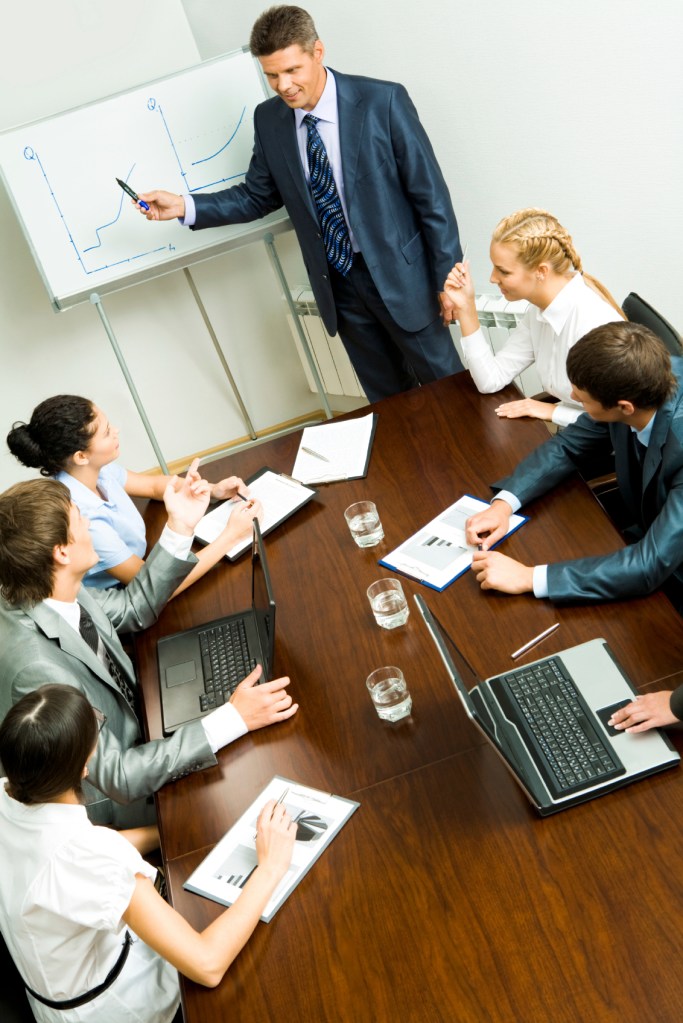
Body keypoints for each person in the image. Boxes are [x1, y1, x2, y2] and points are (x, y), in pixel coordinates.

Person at [135, 5, 465, 403]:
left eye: (292, 70)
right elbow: (257, 196)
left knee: (452, 393)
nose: (283, 85)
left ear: (318, 52)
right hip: (340, 288)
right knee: (393, 407)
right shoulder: (269, 119)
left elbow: (431, 199)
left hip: (405, 281)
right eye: (271, 75)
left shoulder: (383, 101)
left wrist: (448, 280)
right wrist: (184, 206)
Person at [0, 475, 298, 828]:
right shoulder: (36, 668)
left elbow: (132, 607)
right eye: (80, 517)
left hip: (142, 726)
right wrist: (234, 718)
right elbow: (119, 775)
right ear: (61, 552)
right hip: (113, 801)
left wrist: (179, 527)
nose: (90, 524)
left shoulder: (47, 584)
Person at [0, 684, 295, 1023]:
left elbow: (79, 856)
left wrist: (173, 830)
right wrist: (271, 867)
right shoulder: (91, 858)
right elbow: (208, 964)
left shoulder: (6, 796)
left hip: (54, 981)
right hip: (125, 1007)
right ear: (84, 769)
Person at [465, 321, 683, 610]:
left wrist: (529, 577)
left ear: (624, 407)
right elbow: (568, 446)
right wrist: (503, 505)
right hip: (644, 533)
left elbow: (649, 565)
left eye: (582, 396)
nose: (574, 396)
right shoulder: (641, 380)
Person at [7, 394, 260, 590]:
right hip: (132, 592)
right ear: (81, 456)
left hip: (149, 561)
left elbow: (153, 486)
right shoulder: (82, 518)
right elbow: (153, 585)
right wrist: (231, 535)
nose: (115, 430)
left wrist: (212, 490)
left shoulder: (95, 470)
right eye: (106, 432)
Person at [443, 208, 623, 427]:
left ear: (541, 271)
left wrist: (551, 410)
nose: (492, 278)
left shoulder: (592, 325)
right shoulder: (539, 310)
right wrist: (466, 308)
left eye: (504, 271)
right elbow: (490, 380)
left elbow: (618, 421)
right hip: (576, 431)